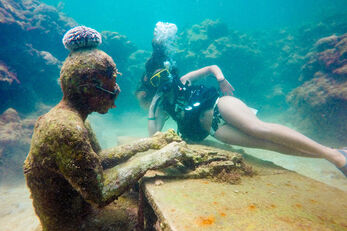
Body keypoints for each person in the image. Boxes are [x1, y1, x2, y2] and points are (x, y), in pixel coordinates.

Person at [24, 26, 186, 231]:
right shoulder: (66, 129)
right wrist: (158, 157)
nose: (116, 90)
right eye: (112, 82)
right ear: (87, 87)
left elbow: (96, 160)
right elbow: (99, 193)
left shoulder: (74, 119)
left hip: (81, 214)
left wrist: (150, 143)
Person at [136, 22, 347, 177]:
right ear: (152, 84)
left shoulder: (184, 81)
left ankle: (334, 156)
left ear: (170, 72)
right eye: (157, 80)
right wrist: (153, 107)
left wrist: (221, 80)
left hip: (221, 106)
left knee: (259, 129)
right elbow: (155, 137)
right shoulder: (162, 107)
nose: (163, 81)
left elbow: (210, 68)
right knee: (267, 145)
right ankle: (333, 154)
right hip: (216, 131)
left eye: (163, 75)